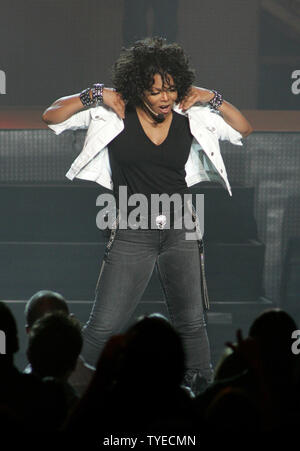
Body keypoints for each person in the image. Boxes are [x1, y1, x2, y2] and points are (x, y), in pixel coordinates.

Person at [42, 37, 253, 395]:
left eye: (171, 89)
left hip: (180, 230)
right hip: (132, 230)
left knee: (190, 324)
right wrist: (94, 94)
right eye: (156, 91)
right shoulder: (114, 113)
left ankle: (202, 398)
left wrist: (209, 97)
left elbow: (243, 128)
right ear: (139, 88)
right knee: (103, 324)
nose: (165, 98)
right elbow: (52, 116)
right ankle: (73, 393)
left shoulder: (191, 116)